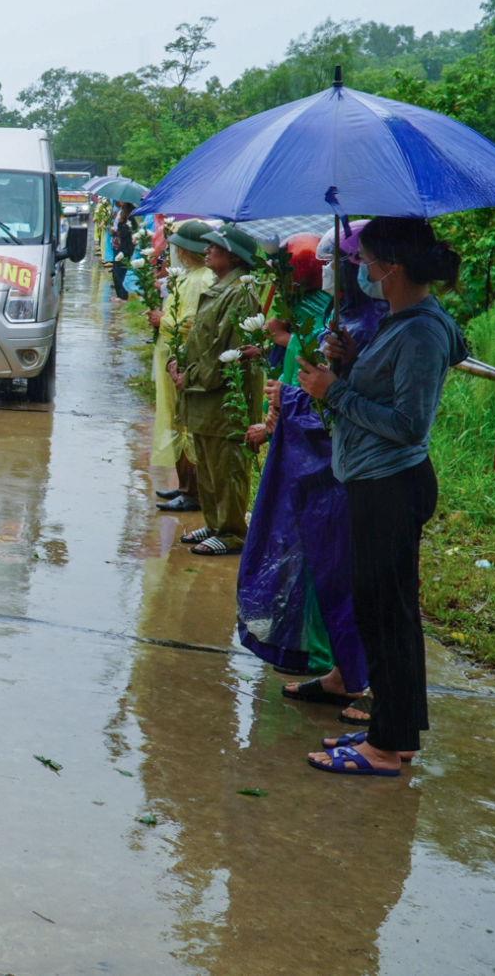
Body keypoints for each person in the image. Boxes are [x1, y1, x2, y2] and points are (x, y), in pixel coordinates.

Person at [296, 216, 467, 777]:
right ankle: (393, 734)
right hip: (373, 482)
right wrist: (347, 362)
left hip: (391, 485)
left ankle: (386, 749)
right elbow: (387, 389)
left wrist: (334, 390)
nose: (360, 270)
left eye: (366, 261)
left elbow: (410, 424)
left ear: (391, 267)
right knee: (382, 612)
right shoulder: (402, 321)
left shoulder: (420, 330)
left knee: (388, 617)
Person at [238, 227, 385, 689]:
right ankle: (338, 669)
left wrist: (306, 396)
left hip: (358, 470)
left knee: (347, 574)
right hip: (327, 462)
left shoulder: (389, 327)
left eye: (332, 265)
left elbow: (358, 408)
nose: (325, 275)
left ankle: (358, 676)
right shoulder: (336, 324)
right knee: (321, 562)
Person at [167, 222, 265, 556]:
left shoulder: (241, 293)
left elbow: (229, 353)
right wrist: (180, 367)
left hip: (225, 397)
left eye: (214, 247)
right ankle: (215, 522)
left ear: (235, 257)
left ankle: (233, 531)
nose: (206, 250)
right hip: (204, 394)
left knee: (227, 465)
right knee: (208, 464)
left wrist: (189, 379)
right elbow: (202, 341)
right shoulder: (221, 286)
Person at [148, 222, 214, 512]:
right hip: (174, 358)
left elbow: (194, 323)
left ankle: (192, 493)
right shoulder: (190, 276)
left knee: (185, 423)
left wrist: (162, 320)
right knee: (177, 420)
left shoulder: (202, 279)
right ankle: (185, 484)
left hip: (185, 360)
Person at [109, 202, 136, 300]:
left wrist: (120, 223)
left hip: (125, 249)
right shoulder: (127, 220)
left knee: (120, 272)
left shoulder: (129, 221)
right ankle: (120, 294)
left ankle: (122, 295)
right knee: (117, 271)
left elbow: (123, 234)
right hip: (122, 248)